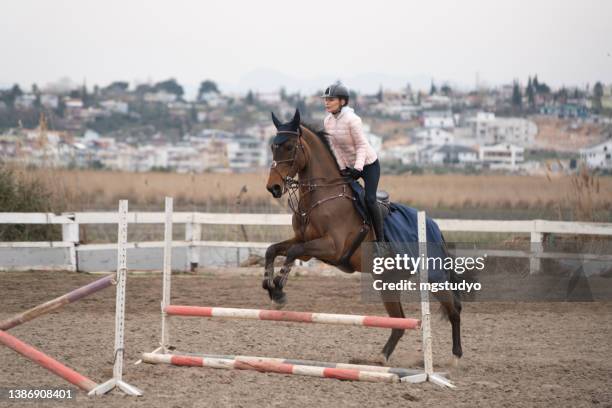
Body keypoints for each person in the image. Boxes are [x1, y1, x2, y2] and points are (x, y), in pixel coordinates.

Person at [322, 82, 385, 242]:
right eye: (326, 99)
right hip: (350, 166)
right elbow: (334, 147)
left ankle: (381, 240)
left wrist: (358, 168)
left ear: (342, 102)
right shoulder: (327, 121)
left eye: (331, 99)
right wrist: (343, 168)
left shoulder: (353, 119)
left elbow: (361, 145)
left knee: (369, 199)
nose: (327, 102)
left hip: (369, 164)